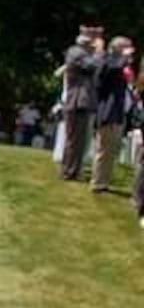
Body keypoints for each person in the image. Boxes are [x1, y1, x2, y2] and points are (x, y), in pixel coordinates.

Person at [59, 23, 104, 180]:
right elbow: (92, 66)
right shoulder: (76, 53)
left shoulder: (80, 52)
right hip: (77, 102)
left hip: (81, 102)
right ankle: (69, 171)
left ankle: (72, 169)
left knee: (78, 140)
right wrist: (99, 51)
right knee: (75, 141)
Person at [93, 35, 133, 193]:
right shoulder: (107, 60)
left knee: (112, 149)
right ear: (117, 48)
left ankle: (104, 181)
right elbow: (107, 72)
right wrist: (123, 57)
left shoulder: (119, 63)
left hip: (118, 112)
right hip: (107, 112)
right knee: (103, 149)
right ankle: (97, 181)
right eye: (126, 47)